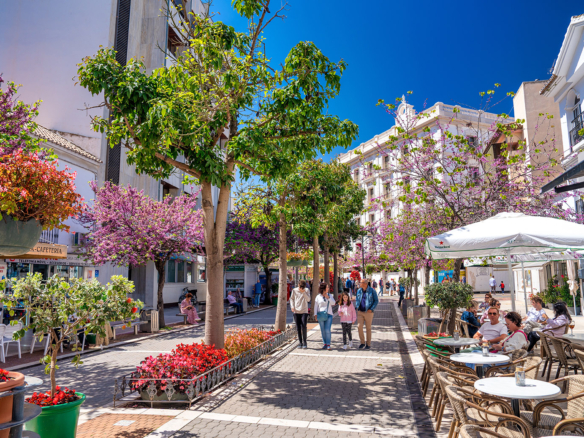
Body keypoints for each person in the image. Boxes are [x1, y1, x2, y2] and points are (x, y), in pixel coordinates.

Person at [356, 278, 379, 350]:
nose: (359, 283)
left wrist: (371, 309)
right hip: (360, 312)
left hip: (368, 312)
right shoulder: (359, 291)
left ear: (365, 284)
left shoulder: (372, 291)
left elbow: (376, 300)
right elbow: (357, 299)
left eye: (361, 282)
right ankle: (362, 342)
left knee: (368, 328)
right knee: (359, 327)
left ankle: (368, 344)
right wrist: (357, 306)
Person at [314, 283, 335, 350]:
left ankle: (328, 344)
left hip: (329, 315)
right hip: (321, 315)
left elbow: (333, 303)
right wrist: (315, 315)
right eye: (327, 287)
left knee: (327, 330)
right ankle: (325, 343)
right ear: (323, 288)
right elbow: (316, 306)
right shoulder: (318, 297)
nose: (328, 288)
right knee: (322, 330)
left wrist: (328, 298)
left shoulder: (330, 295)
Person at [290, 280, 311, 349]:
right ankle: (300, 342)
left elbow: (308, 299)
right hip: (296, 311)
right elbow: (291, 299)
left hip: (304, 311)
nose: (301, 288)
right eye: (300, 287)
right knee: (298, 327)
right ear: (298, 285)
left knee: (304, 326)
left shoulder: (306, 290)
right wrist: (292, 306)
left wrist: (303, 292)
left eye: (303, 287)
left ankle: (305, 342)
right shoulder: (294, 290)